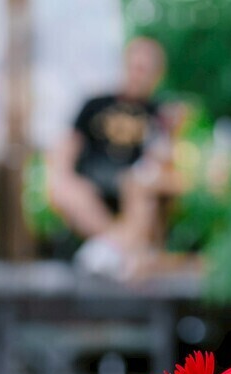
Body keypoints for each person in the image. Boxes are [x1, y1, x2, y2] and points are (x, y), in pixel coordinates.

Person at [47, 37, 167, 269]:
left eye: (144, 69)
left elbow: (162, 157)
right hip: (90, 185)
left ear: (156, 75)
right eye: (134, 66)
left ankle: (104, 250)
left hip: (133, 186)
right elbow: (68, 145)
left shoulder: (159, 113)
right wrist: (61, 172)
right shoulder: (95, 103)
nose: (137, 74)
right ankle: (117, 245)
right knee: (64, 187)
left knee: (141, 189)